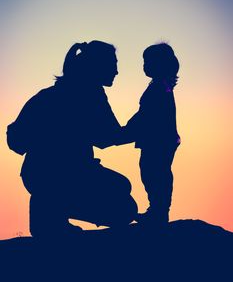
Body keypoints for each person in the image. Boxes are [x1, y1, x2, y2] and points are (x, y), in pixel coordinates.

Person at [7, 41, 138, 237]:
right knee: (124, 204)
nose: (117, 71)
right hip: (60, 175)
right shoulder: (91, 95)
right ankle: (50, 215)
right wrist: (143, 126)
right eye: (113, 64)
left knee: (122, 188)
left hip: (39, 174)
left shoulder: (50, 95)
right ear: (97, 66)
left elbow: (15, 139)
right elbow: (108, 136)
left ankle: (51, 214)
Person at [123, 43, 180, 226]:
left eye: (148, 62)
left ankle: (158, 211)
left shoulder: (159, 87)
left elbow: (146, 114)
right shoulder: (160, 85)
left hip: (159, 140)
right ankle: (157, 210)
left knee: (154, 172)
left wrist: (127, 130)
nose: (145, 66)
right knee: (154, 171)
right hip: (161, 139)